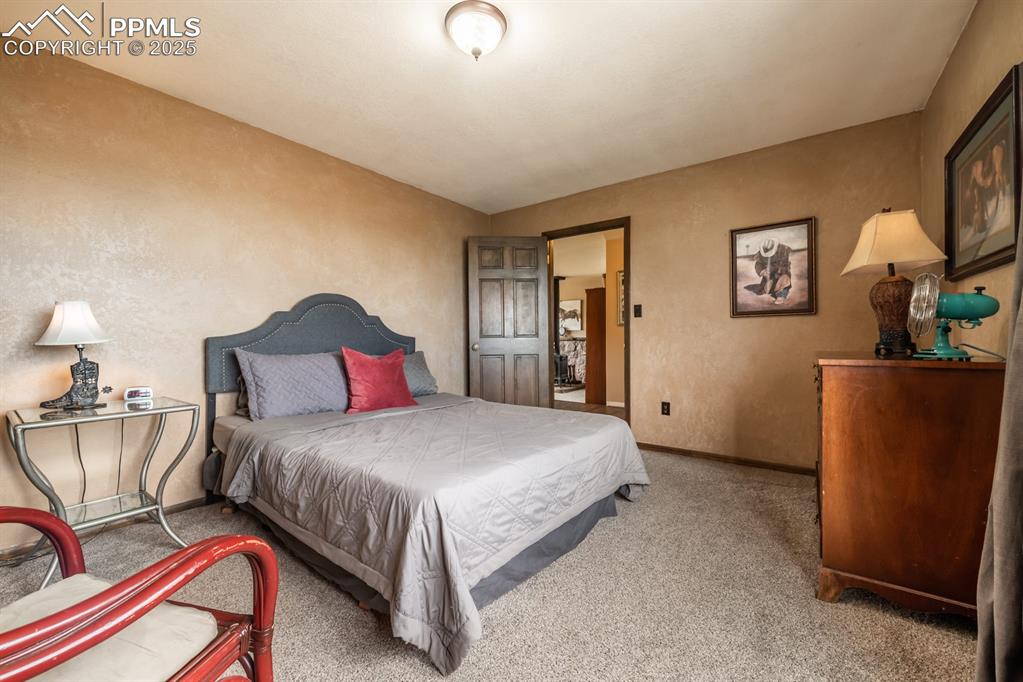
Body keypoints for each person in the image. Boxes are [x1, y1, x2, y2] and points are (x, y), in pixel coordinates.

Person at [745, 237, 792, 305]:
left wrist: (771, 269)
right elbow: (758, 264)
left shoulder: (783, 250)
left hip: (781, 272)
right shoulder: (761, 252)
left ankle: (781, 296)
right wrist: (762, 271)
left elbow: (783, 264)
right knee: (766, 289)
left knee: (784, 282)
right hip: (769, 275)